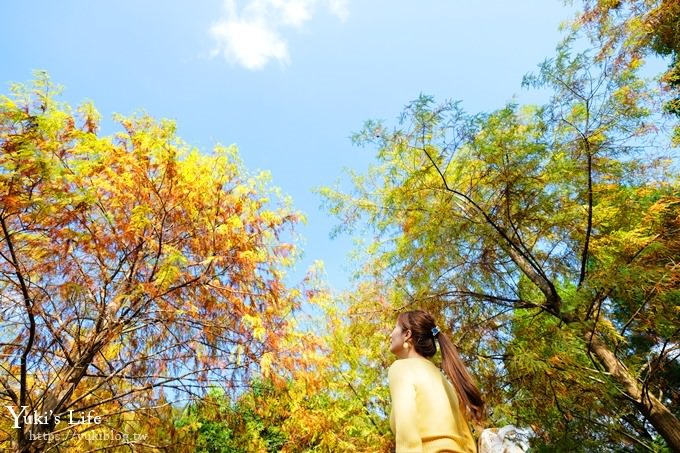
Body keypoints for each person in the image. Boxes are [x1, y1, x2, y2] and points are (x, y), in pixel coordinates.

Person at [388, 310, 484, 452]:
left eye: (395, 327)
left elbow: (407, 430)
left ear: (407, 335)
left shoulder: (401, 368)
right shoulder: (446, 383)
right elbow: (467, 440)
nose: (391, 334)